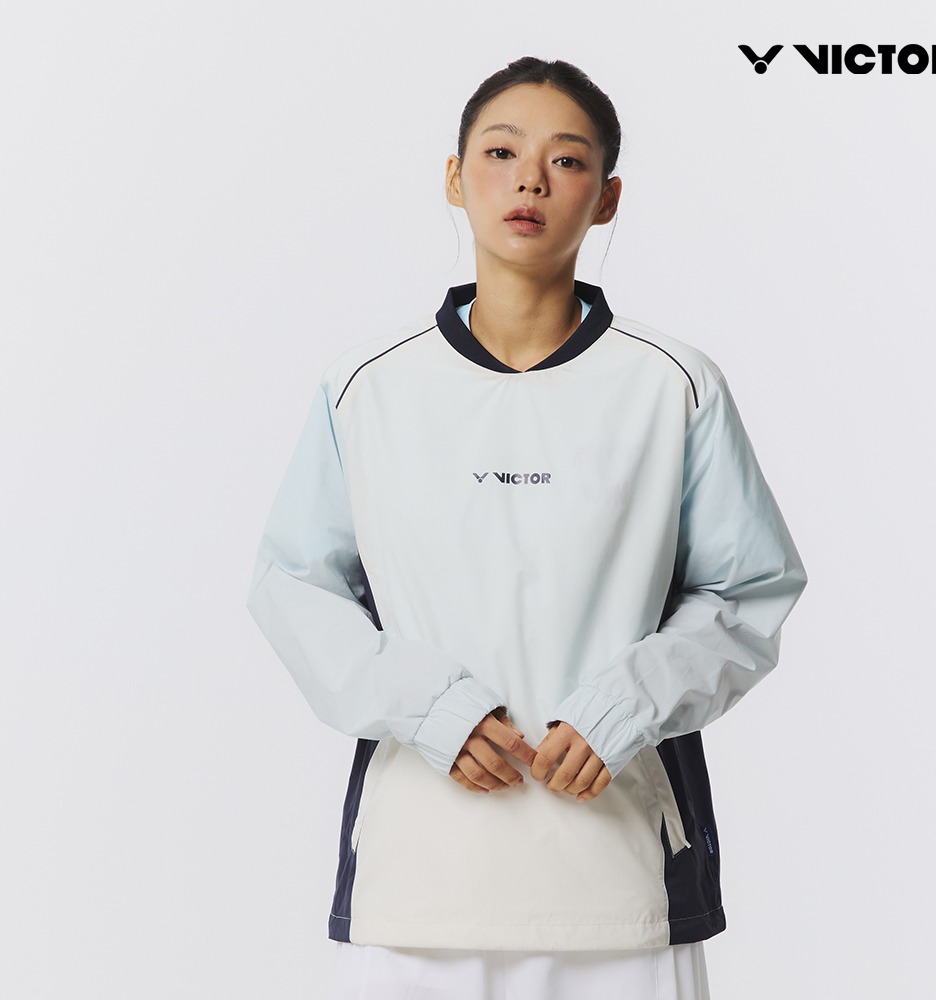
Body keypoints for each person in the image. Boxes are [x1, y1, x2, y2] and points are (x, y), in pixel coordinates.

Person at [246, 56, 807, 1000]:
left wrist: (624, 706)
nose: (531, 181)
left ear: (608, 197)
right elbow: (294, 585)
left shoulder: (672, 385)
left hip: (621, 885)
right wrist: (432, 708)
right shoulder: (368, 387)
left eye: (568, 160)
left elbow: (748, 591)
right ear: (455, 178)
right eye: (501, 153)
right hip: (418, 889)